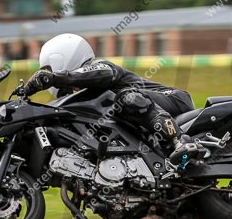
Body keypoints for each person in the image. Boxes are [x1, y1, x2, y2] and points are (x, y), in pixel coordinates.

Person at [22, 33, 204, 166]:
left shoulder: (99, 67)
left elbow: (104, 74)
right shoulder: (82, 94)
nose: (49, 72)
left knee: (127, 97)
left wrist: (56, 78)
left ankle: (181, 140)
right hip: (150, 120)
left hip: (174, 99)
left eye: (49, 68)